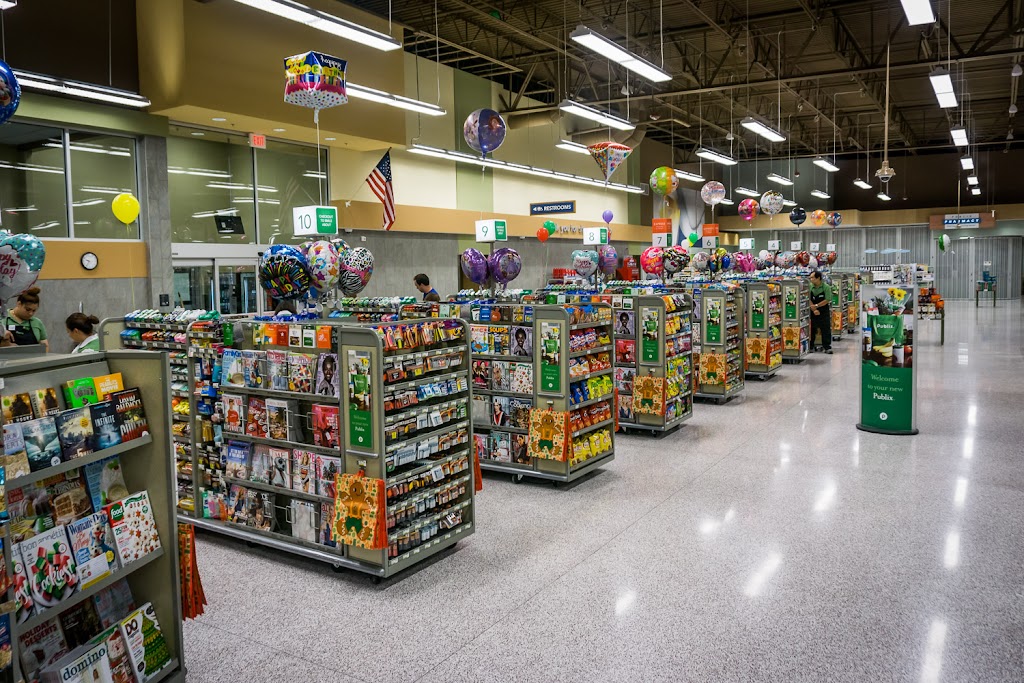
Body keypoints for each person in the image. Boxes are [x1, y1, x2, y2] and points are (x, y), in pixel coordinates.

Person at [808, 270, 833, 354]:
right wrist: (814, 309)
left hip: (823, 311)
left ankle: (827, 347)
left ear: (818, 278)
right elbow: (808, 298)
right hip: (813, 311)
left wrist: (817, 306)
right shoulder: (810, 287)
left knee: (825, 329)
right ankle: (810, 346)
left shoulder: (826, 287)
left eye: (812, 277)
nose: (811, 279)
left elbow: (827, 299)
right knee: (812, 328)